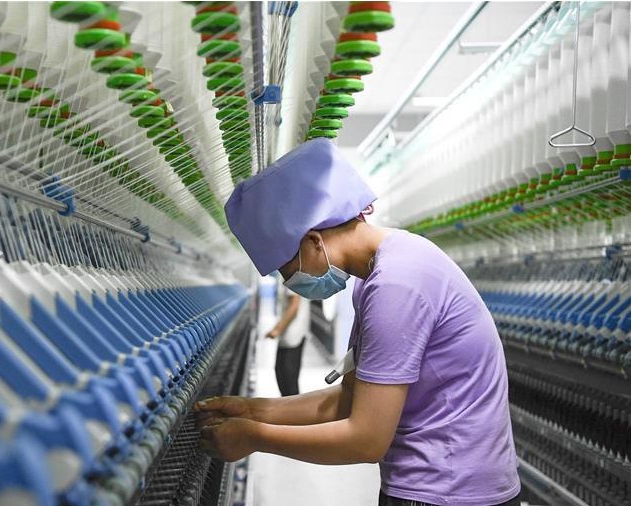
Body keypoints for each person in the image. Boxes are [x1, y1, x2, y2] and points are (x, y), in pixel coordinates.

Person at [198, 139, 520, 506]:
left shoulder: (397, 284)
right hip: (445, 484)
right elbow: (350, 398)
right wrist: (252, 410)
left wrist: (255, 437)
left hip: (449, 491)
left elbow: (367, 439)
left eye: (287, 269)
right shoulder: (376, 276)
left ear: (314, 241)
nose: (289, 282)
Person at [266, 290, 310, 396]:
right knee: (284, 377)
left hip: (292, 336)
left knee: (287, 381)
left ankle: (294, 406)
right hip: (293, 335)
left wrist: (277, 330)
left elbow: (294, 306)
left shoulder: (290, 279)